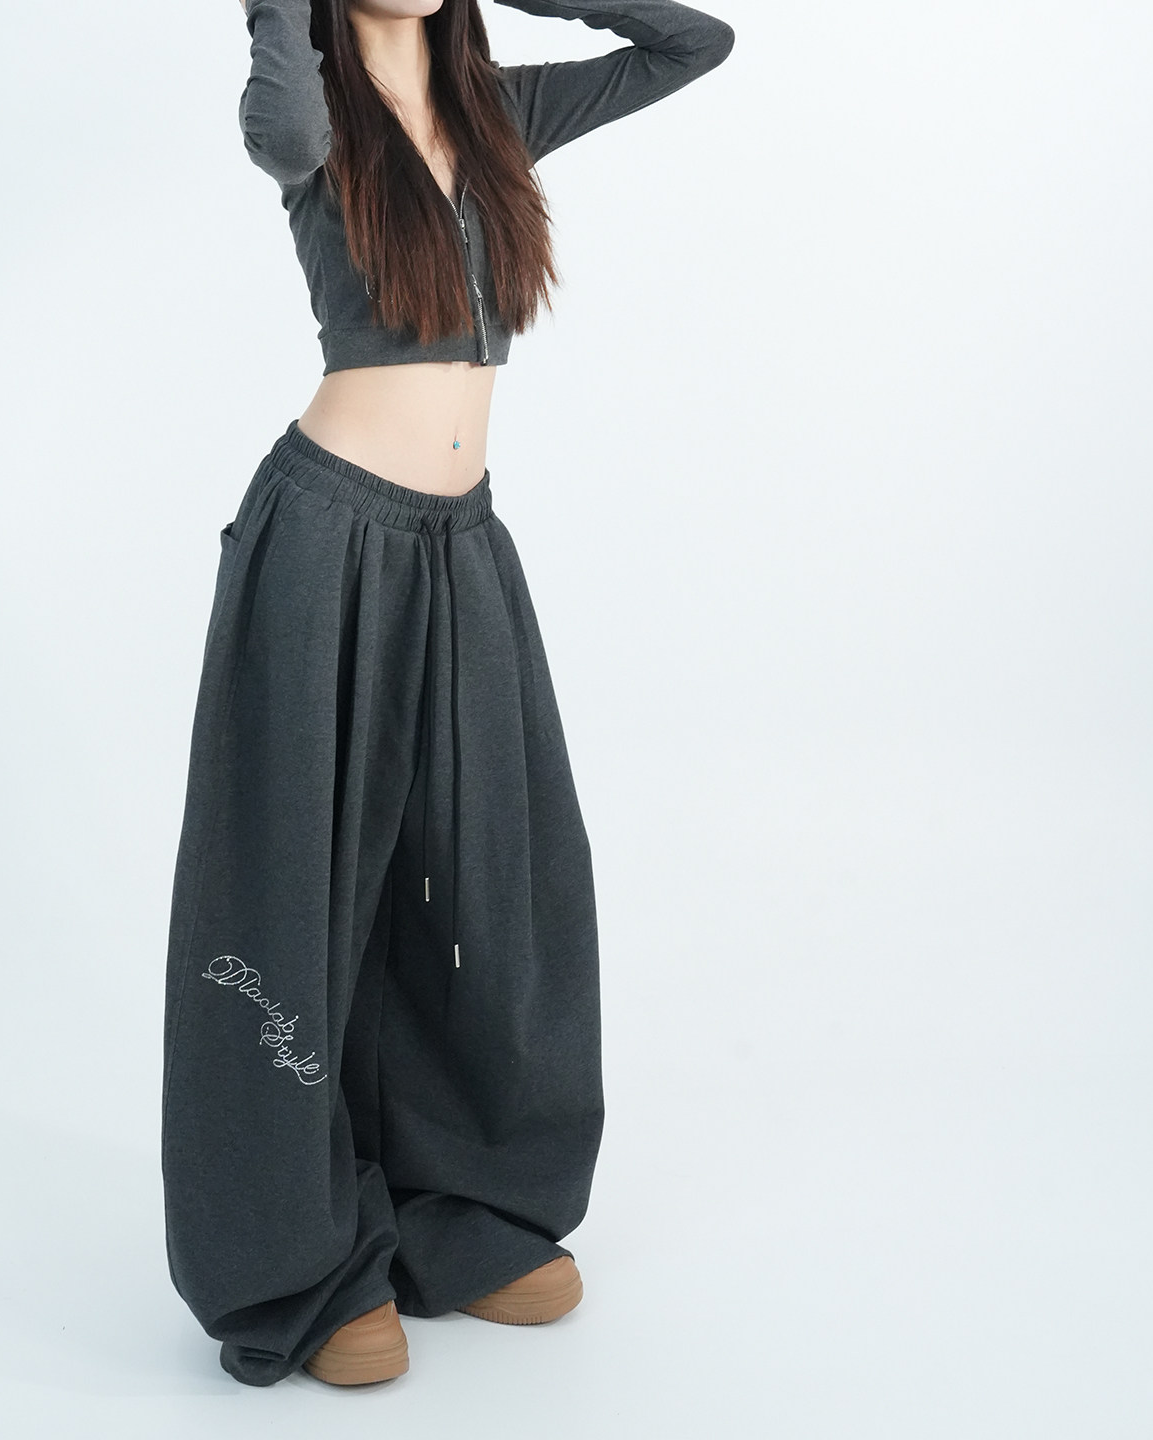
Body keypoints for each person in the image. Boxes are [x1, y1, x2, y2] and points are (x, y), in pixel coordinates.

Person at [160, 0, 734, 1389]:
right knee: (301, 895)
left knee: (498, 880)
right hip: (328, 541)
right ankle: (293, 1257)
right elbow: (280, 116)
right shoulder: (307, 117)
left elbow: (692, 46)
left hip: (462, 544)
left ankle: (459, 1205)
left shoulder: (499, 115)